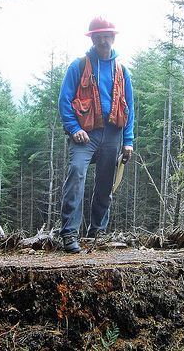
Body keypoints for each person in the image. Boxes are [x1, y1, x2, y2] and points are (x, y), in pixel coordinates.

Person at [58, 16, 134, 253]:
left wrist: (128, 141)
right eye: (98, 36)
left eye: (106, 36)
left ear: (113, 38)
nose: (103, 40)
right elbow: (64, 101)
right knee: (76, 174)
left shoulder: (121, 70)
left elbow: (128, 107)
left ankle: (96, 233)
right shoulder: (78, 65)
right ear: (92, 39)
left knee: (104, 184)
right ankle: (69, 234)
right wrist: (74, 129)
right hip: (85, 134)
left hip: (112, 134)